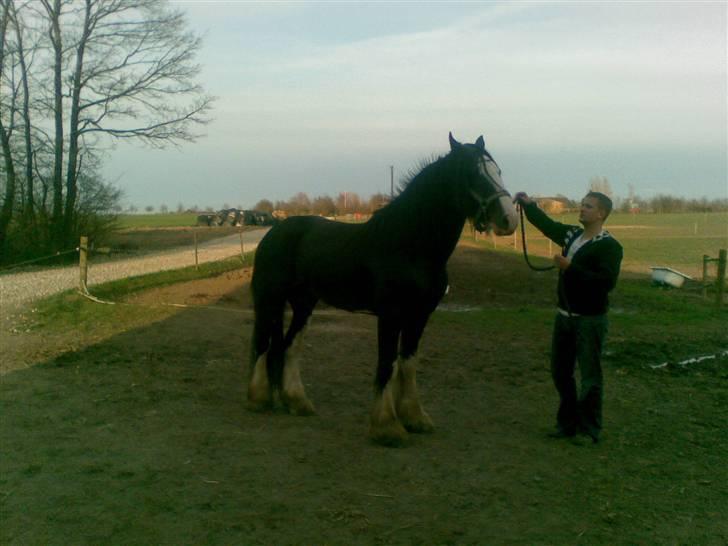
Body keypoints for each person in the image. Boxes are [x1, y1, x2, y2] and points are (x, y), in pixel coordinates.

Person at [513, 191, 623, 443]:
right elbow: (547, 225)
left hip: (590, 320)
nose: (581, 209)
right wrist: (529, 206)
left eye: (588, 206)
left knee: (590, 377)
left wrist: (571, 268)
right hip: (564, 316)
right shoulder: (572, 235)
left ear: (601, 214)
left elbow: (605, 283)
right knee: (560, 372)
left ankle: (589, 429)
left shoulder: (610, 247)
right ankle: (567, 423)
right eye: (583, 205)